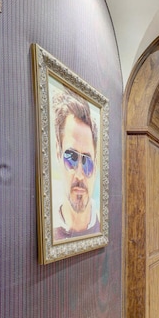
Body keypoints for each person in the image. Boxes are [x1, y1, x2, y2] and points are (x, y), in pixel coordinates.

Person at [51, 90, 101, 240]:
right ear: (58, 154)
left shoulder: (102, 221)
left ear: (96, 164)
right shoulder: (48, 230)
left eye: (87, 162)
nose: (79, 174)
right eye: (71, 158)